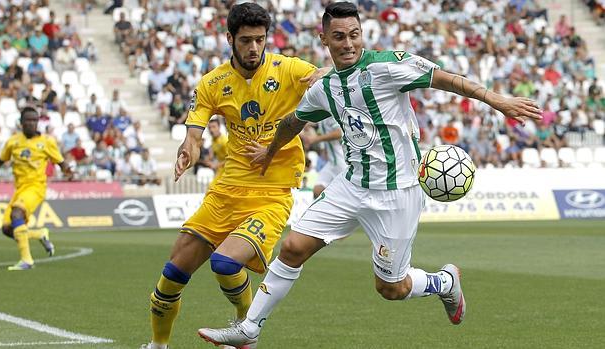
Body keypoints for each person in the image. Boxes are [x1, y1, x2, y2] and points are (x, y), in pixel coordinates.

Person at [197, 2, 543, 347]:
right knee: (292, 247)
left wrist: (498, 101)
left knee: (391, 288)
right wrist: (269, 152)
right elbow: (293, 122)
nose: (348, 44)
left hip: (397, 193)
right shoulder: (325, 87)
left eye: (354, 35)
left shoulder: (388, 66)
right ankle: (251, 326)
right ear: (324, 40)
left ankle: (443, 282)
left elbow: (447, 80)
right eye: (339, 37)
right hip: (350, 186)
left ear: (362, 35)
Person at [140, 3, 326, 349]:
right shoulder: (214, 82)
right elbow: (194, 134)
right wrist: (188, 151)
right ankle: (157, 345)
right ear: (230, 39)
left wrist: (320, 77)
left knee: (225, 262)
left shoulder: (287, 69)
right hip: (225, 191)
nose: (254, 48)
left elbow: (322, 76)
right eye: (245, 41)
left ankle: (245, 328)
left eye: (260, 39)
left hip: (271, 194)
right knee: (172, 275)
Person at [0, 106, 73, 271]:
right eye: (28, 120)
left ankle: (27, 260)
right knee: (7, 228)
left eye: (35, 120)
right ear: (21, 122)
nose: (32, 123)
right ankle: (39, 234)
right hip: (19, 189)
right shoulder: (13, 142)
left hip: (36, 187)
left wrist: (68, 171)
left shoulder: (46, 142)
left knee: (17, 213)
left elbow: (62, 163)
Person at [303, 117, 345, 199]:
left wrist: (316, 139)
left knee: (343, 195)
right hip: (332, 162)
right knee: (317, 191)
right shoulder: (323, 116)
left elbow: (339, 133)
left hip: (341, 161)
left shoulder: (332, 115)